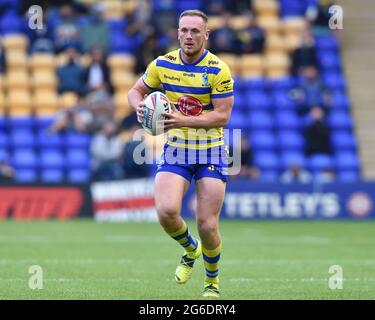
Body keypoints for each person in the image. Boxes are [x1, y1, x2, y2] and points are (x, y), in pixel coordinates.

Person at [128, 10, 234, 298]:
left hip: (211, 150)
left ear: (206, 35)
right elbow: (135, 91)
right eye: (184, 30)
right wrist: (139, 106)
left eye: (195, 31)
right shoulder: (162, 64)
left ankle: (212, 283)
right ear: (177, 32)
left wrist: (183, 120)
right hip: (177, 149)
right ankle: (191, 249)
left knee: (207, 223)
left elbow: (222, 116)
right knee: (166, 212)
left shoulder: (218, 69)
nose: (189, 36)